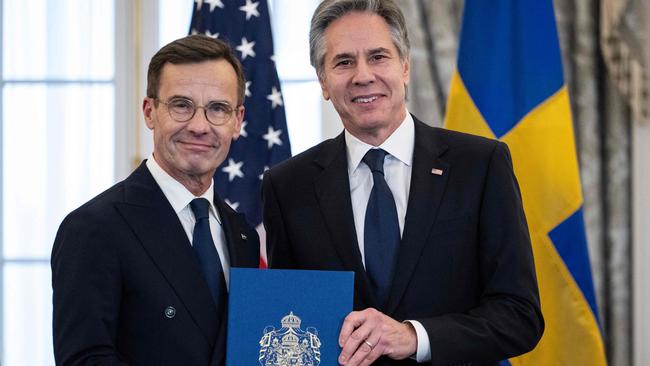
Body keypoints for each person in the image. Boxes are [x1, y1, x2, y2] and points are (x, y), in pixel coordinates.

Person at [261, 1, 544, 365]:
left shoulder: (480, 165)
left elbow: (520, 316)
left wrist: (414, 336)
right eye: (344, 62)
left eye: (378, 57)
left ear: (405, 66)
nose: (363, 75)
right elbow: (292, 319)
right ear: (323, 82)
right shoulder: (287, 186)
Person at [51, 35, 260, 366]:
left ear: (238, 121)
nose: (199, 126)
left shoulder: (243, 235)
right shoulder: (94, 229)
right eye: (181, 105)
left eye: (218, 109)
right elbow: (84, 360)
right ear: (149, 112)